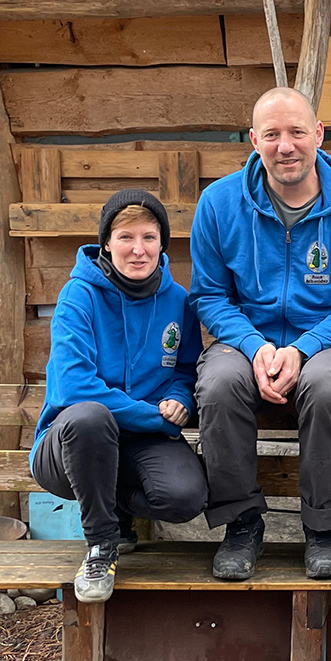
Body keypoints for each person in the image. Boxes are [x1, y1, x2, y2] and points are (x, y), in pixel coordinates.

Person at [190, 87, 331, 581]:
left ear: (318, 134)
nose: (286, 146)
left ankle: (323, 530)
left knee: (323, 387)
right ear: (254, 140)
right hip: (244, 339)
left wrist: (303, 348)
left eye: (297, 132)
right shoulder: (218, 203)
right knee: (217, 386)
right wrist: (255, 346)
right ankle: (241, 525)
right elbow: (210, 296)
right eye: (273, 135)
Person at [30, 190, 207, 603]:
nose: (138, 250)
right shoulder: (79, 296)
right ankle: (101, 543)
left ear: (162, 243)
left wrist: (181, 399)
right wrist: (155, 417)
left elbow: (186, 369)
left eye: (149, 237)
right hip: (69, 443)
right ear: (107, 242)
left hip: (138, 445)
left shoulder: (179, 301)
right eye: (126, 237)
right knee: (89, 416)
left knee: (185, 497)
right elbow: (73, 387)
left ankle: (116, 507)